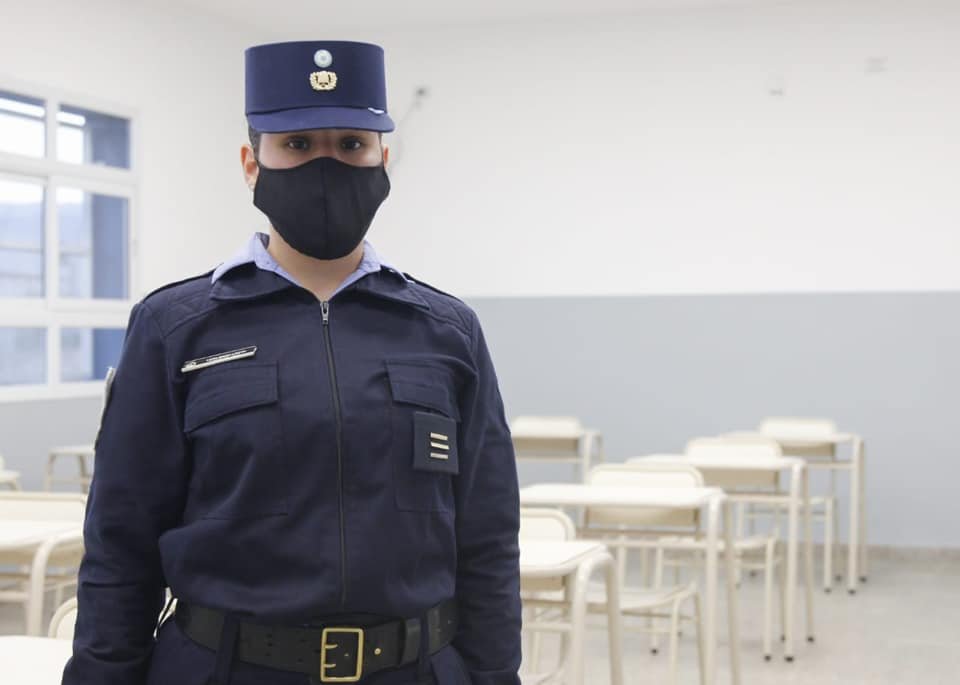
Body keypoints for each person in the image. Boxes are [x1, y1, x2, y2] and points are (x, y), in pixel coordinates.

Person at [62, 40, 522, 685]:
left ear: (384, 160)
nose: (326, 164)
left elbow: (489, 538)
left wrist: (496, 675)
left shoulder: (446, 330)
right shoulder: (176, 327)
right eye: (298, 145)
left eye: (352, 144)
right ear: (252, 164)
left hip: (415, 667)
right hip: (224, 668)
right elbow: (120, 542)